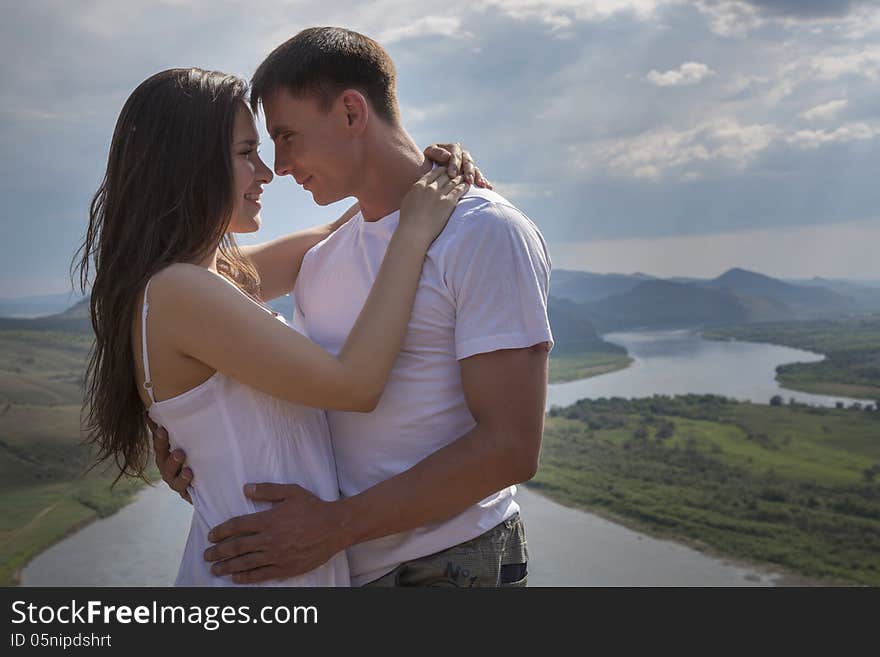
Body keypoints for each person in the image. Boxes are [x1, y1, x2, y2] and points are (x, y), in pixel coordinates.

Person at [155, 27, 553, 588]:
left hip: (445, 566)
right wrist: (186, 438)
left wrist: (334, 527)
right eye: (264, 147)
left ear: (350, 112)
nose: (280, 165)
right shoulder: (320, 256)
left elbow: (511, 448)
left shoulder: (483, 232)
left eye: (288, 136)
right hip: (337, 570)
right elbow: (162, 308)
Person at [74, 66, 476, 586]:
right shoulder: (180, 292)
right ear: (188, 165)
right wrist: (416, 229)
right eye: (246, 153)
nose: (267, 172)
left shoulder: (196, 283)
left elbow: (337, 231)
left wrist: (426, 172)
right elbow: (354, 385)